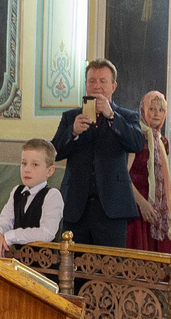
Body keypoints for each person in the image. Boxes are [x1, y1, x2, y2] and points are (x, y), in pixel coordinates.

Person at [49, 57, 147, 248]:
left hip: (113, 208)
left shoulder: (127, 117)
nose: (97, 86)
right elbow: (53, 153)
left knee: (110, 269)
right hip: (76, 207)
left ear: (113, 86)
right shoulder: (70, 117)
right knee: (72, 270)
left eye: (103, 81)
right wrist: (73, 132)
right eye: (92, 81)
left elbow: (136, 144)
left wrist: (111, 116)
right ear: (86, 85)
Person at [0, 138, 61, 258]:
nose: (27, 169)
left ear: (49, 171)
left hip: (43, 265)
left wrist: (9, 237)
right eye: (24, 163)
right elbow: (5, 219)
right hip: (17, 260)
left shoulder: (52, 195)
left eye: (35, 164)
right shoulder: (17, 191)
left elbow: (46, 233)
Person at [128, 89, 171, 253]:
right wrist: (143, 204)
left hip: (157, 208)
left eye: (161, 110)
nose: (157, 114)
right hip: (137, 205)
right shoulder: (136, 137)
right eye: (152, 109)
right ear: (143, 110)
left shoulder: (163, 142)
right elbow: (124, 176)